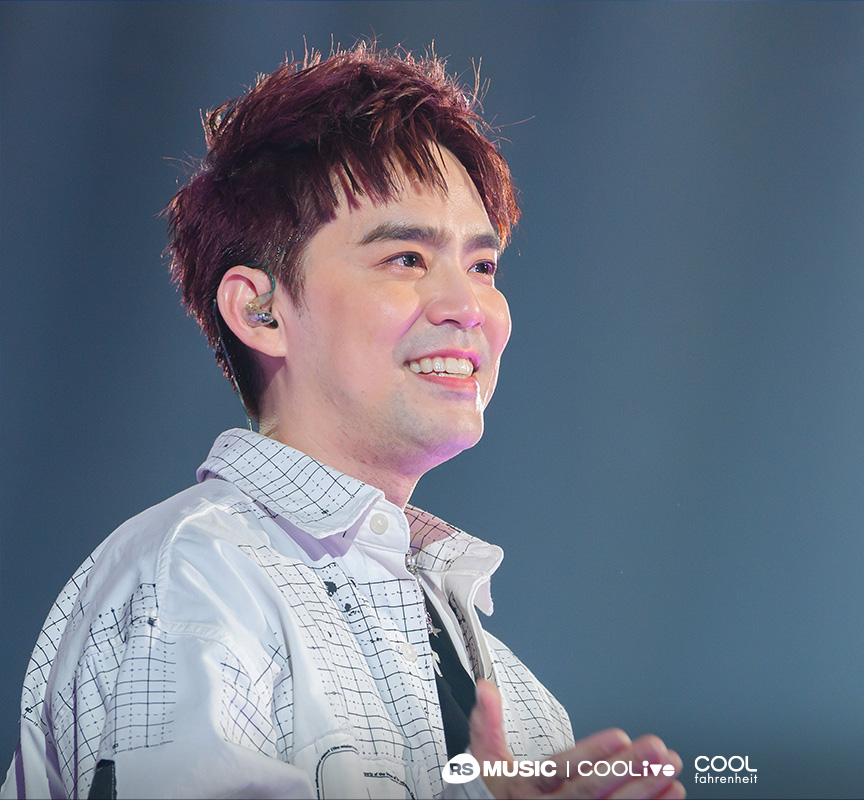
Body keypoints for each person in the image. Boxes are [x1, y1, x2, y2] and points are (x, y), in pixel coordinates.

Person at [1, 43, 683, 800]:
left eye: (483, 266)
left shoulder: (522, 701)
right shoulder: (194, 582)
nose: (469, 307)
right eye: (406, 259)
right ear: (259, 311)